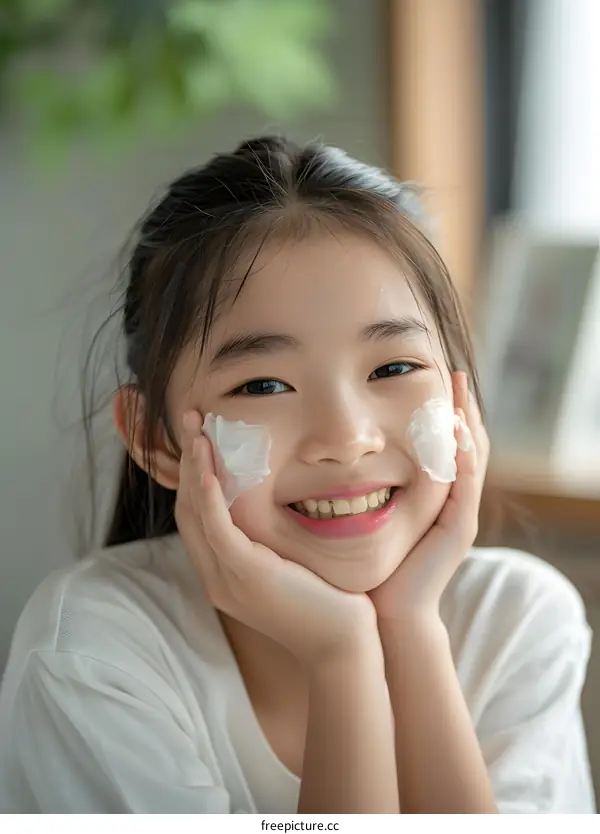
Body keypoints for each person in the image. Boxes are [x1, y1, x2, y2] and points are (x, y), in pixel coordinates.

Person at [0, 137, 594, 814]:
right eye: (263, 384)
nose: (346, 439)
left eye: (394, 369)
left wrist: (410, 630)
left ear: (462, 401)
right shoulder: (93, 654)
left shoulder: (517, 623)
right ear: (156, 438)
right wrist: (342, 656)